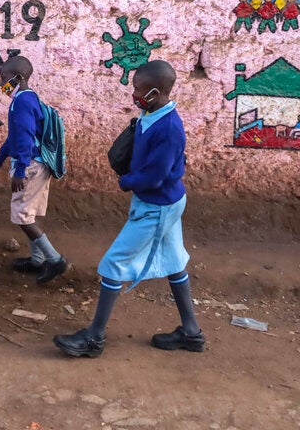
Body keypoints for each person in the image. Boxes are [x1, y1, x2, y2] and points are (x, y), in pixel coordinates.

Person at [53, 60, 203, 358]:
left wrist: (126, 181)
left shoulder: (169, 127)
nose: (134, 94)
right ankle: (191, 332)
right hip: (164, 201)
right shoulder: (153, 113)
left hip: (157, 206)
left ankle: (93, 339)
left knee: (114, 263)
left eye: (139, 90)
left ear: (156, 92)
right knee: (173, 260)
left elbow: (155, 176)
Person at [0, 55, 68, 284]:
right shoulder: (28, 99)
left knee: (22, 217)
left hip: (30, 165)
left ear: (18, 78)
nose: (0, 83)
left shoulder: (21, 102)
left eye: (3, 78)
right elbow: (15, 136)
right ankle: (37, 260)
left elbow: (23, 139)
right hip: (37, 163)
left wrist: (20, 170)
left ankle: (54, 259)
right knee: (28, 213)